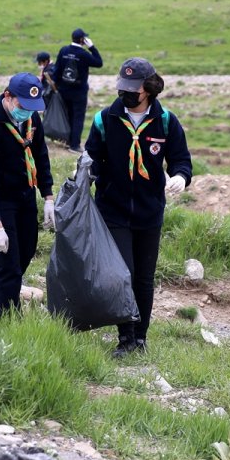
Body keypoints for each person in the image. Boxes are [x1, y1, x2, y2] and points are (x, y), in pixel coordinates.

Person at [84, 57, 192, 357]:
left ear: (149, 88)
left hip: (150, 211)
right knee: (124, 275)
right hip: (113, 209)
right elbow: (92, 157)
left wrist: (181, 178)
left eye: (134, 88)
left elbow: (181, 160)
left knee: (144, 278)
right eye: (124, 86)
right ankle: (126, 338)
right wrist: (86, 172)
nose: (127, 92)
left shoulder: (166, 121)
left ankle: (141, 338)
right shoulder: (104, 119)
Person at [0, 73, 55, 318]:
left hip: (25, 196)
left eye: (32, 108)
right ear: (8, 96)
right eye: (23, 106)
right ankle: (7, 318)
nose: (27, 112)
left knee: (25, 254)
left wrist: (48, 196)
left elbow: (41, 156)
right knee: (8, 265)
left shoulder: (31, 120)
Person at [53, 28, 103, 153]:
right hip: (79, 91)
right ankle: (74, 145)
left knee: (68, 115)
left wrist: (57, 86)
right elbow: (99, 63)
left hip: (64, 90)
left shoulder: (64, 50)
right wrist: (92, 47)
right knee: (78, 117)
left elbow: (57, 70)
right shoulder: (83, 54)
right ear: (82, 40)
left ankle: (67, 140)